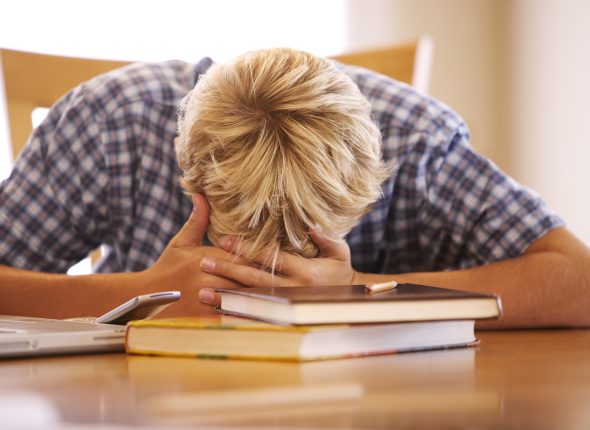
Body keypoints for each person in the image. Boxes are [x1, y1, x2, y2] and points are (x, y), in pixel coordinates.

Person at [0, 48, 588, 327]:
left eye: (307, 242)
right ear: (189, 175)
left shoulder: (417, 142)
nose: (271, 279)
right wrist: (143, 294)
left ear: (372, 180)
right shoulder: (110, 125)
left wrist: (359, 291)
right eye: (238, 253)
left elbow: (578, 283)